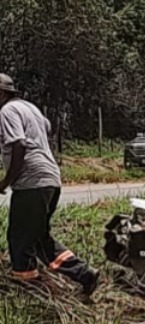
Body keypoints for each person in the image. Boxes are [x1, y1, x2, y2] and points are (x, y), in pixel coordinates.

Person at [0, 74, 99, 295]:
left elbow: (18, 144)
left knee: (19, 238)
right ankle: (84, 273)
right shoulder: (30, 108)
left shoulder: (6, 111)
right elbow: (48, 128)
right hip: (50, 179)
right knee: (38, 236)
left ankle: (28, 288)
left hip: (31, 183)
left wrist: (7, 180)